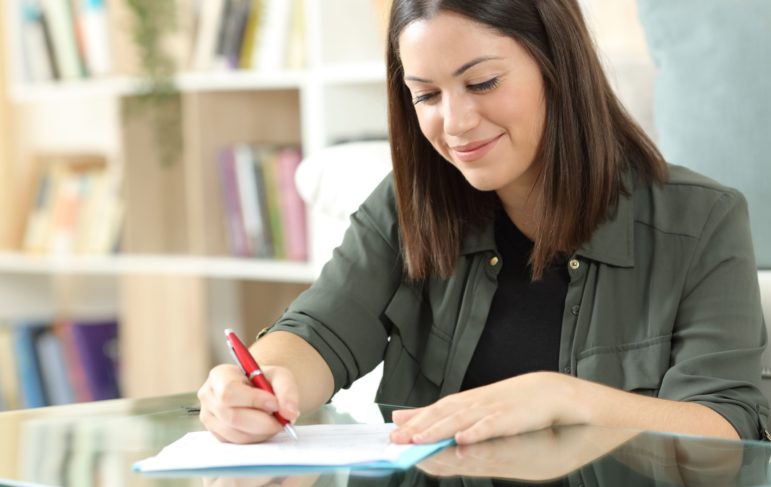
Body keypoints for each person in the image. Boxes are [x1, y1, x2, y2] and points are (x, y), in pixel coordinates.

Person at [197, 0, 768, 445]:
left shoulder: (701, 220)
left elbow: (730, 430)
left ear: (556, 65)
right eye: (426, 96)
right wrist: (261, 385)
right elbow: (318, 334)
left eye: (483, 83)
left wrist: (564, 400)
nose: (456, 123)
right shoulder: (407, 205)